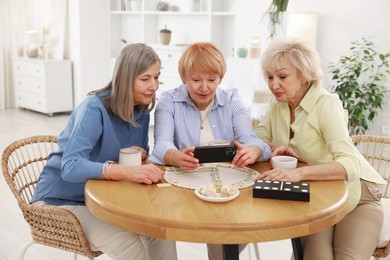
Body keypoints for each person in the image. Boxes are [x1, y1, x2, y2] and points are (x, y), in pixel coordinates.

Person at [31, 43, 177, 260]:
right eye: (145, 79)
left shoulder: (142, 110)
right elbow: (70, 167)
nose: (154, 86)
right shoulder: (93, 108)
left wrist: (141, 156)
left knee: (162, 231)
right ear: (126, 79)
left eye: (156, 77)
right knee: (131, 247)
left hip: (106, 199)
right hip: (61, 201)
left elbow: (138, 155)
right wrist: (125, 171)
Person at [254, 39, 385, 260]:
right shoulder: (277, 105)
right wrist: (275, 145)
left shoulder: (326, 104)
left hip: (358, 196)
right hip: (319, 197)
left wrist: (296, 174)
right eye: (269, 77)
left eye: (282, 77)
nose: (274, 85)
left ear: (304, 75)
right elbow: (256, 140)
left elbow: (350, 163)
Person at [148, 42, 271, 260]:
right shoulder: (169, 101)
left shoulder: (232, 99)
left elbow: (253, 141)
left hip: (230, 189)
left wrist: (252, 151)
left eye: (212, 80)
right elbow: (161, 145)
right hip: (185, 190)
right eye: (196, 80)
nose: (204, 87)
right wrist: (176, 156)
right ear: (184, 77)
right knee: (218, 241)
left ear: (220, 78)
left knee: (223, 241)